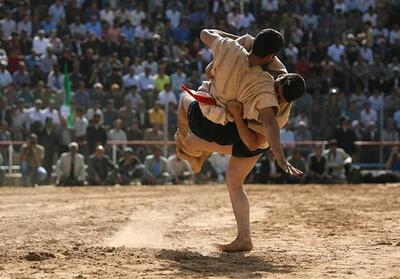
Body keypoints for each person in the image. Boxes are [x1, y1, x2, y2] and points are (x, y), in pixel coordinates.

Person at [176, 28, 305, 252]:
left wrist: (279, 155)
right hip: (233, 123)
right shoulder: (268, 72)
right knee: (232, 182)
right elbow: (243, 41)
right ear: (273, 62)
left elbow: (256, 139)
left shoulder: (267, 93)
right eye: (277, 87)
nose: (276, 93)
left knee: (233, 179)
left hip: (253, 137)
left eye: (280, 95)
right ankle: (195, 151)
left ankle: (195, 150)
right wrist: (220, 56)